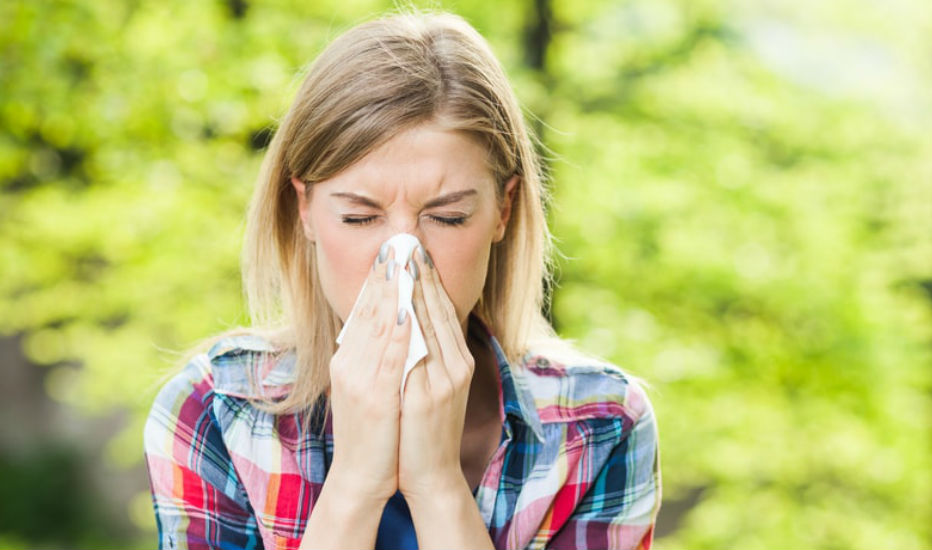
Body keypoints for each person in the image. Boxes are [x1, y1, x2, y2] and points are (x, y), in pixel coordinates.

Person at [143, 10, 661, 550]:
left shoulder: (601, 425)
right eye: (360, 218)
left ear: (503, 211)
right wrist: (355, 486)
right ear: (305, 209)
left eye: (447, 216)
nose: (404, 259)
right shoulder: (216, 410)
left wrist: (437, 486)